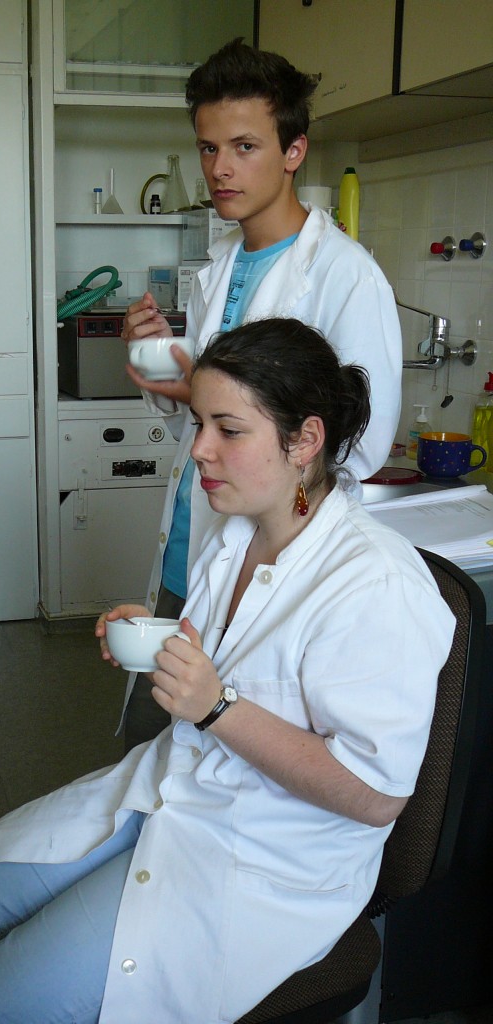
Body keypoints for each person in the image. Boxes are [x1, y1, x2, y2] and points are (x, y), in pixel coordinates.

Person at [0, 318, 453, 1024]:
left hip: (259, 856)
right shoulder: (234, 531)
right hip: (169, 787)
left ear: (304, 440)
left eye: (227, 430)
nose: (199, 449)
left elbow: (373, 796)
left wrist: (217, 707)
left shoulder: (376, 584)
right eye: (198, 422)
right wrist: (163, 643)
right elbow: (239, 657)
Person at [120, 39, 403, 749]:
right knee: (156, 751)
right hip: (190, 545)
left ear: (293, 151)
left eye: (244, 146)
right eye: (208, 147)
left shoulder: (344, 276)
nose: (220, 168)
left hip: (267, 564)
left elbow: (361, 446)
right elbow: (204, 420)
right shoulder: (216, 267)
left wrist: (226, 422)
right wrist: (169, 379)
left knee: (226, 748)